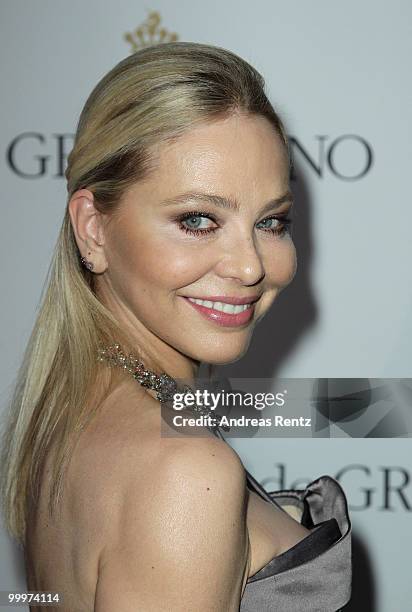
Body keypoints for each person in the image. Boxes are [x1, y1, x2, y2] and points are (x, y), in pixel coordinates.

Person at [0, 42, 351, 611]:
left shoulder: (72, 404)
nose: (250, 266)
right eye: (197, 220)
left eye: (272, 221)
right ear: (93, 229)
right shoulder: (183, 469)